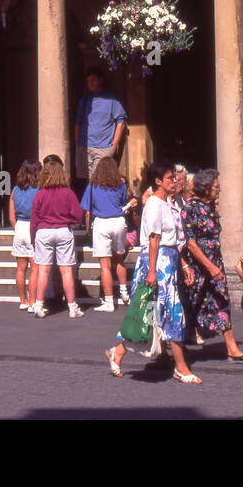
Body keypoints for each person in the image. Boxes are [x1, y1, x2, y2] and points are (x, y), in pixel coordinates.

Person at [105, 160, 198, 383]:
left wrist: (182, 264)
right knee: (164, 312)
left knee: (150, 312)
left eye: (174, 178)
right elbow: (154, 240)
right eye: (170, 178)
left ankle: (117, 352)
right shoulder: (155, 205)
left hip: (166, 261)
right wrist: (153, 272)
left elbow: (172, 241)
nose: (174, 181)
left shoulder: (166, 203)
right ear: (158, 182)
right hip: (156, 263)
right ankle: (181, 367)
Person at [180, 169, 243, 363]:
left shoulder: (210, 207)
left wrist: (216, 266)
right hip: (198, 266)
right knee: (191, 304)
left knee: (222, 301)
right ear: (205, 188)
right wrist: (210, 267)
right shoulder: (191, 208)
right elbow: (191, 243)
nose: (219, 190)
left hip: (215, 262)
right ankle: (175, 350)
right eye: (216, 187)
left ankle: (231, 348)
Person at [30, 159, 86, 318]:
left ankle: (39, 305)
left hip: (44, 231)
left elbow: (34, 218)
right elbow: (78, 214)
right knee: (67, 270)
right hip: (63, 230)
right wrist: (70, 221)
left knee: (43, 270)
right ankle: (72, 307)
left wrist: (33, 237)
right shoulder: (68, 193)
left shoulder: (40, 194)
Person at [80, 156, 131, 311]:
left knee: (105, 265)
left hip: (102, 222)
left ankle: (109, 301)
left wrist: (88, 230)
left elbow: (87, 210)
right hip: (118, 221)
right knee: (119, 258)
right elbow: (123, 203)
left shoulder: (92, 186)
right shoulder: (121, 186)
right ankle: (124, 292)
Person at [74, 67, 127, 180]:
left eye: (93, 80)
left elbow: (121, 122)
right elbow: (78, 123)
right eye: (88, 81)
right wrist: (77, 143)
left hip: (103, 147)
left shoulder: (112, 99)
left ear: (100, 80)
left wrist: (113, 146)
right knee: (85, 182)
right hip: (84, 147)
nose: (90, 84)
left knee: (100, 181)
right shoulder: (84, 101)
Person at [9, 159, 41, 311]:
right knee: (35, 267)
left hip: (20, 227)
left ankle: (23, 300)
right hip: (33, 227)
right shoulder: (39, 190)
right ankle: (33, 301)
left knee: (20, 268)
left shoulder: (15, 190)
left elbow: (11, 217)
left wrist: (17, 228)